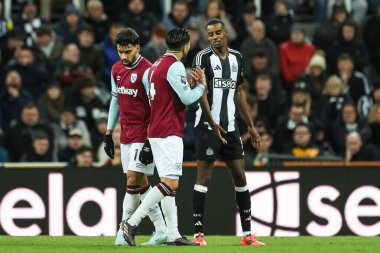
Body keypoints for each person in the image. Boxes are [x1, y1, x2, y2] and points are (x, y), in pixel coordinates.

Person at [122, 27, 206, 246]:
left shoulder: (155, 66)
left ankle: (172, 234)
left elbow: (169, 98)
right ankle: (132, 222)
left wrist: (190, 86)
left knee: (169, 187)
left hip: (155, 131)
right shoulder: (175, 65)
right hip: (168, 132)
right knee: (169, 183)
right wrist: (201, 88)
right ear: (186, 45)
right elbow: (187, 99)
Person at [191, 19, 264, 246]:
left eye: (217, 33)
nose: (214, 37)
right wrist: (212, 121)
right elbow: (200, 91)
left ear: (225, 33)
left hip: (231, 127)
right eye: (210, 34)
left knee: (240, 176)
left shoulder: (237, 58)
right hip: (207, 125)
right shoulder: (202, 58)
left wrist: (250, 126)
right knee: (205, 177)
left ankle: (248, 234)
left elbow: (239, 93)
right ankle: (198, 234)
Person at [103, 28, 167, 246]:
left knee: (132, 180)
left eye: (128, 51)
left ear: (137, 48)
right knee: (140, 184)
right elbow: (114, 101)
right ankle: (161, 230)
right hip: (126, 133)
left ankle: (124, 229)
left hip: (144, 132)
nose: (123, 56)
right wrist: (108, 133)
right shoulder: (116, 69)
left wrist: (150, 140)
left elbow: (155, 106)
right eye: (120, 51)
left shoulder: (148, 71)